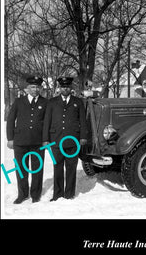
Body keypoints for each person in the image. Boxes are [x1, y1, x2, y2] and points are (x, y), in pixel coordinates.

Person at [42, 77, 88, 201]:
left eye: (67, 86)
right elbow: (47, 121)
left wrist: (83, 136)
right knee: (57, 167)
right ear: (59, 88)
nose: (65, 89)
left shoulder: (77, 102)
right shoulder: (52, 102)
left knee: (71, 168)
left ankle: (69, 194)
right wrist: (45, 139)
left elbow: (83, 121)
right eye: (63, 87)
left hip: (73, 140)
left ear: (70, 88)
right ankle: (57, 194)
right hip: (56, 140)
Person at [6, 76, 48, 204]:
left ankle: (35, 195)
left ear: (40, 88)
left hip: (38, 142)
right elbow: (11, 120)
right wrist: (10, 139)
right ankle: (22, 194)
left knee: (37, 169)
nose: (35, 89)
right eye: (32, 87)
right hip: (20, 141)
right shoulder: (18, 102)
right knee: (21, 169)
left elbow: (47, 123)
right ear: (27, 88)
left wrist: (46, 140)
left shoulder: (45, 102)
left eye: (37, 87)